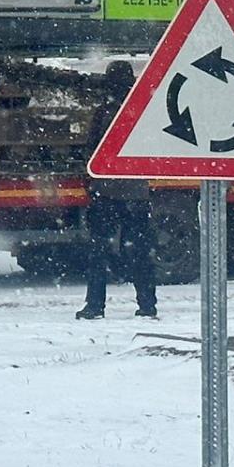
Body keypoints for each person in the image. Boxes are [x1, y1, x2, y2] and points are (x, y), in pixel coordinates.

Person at [78, 61, 158, 320]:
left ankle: (95, 305)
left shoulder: (105, 110)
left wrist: (92, 180)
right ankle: (147, 304)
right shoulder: (141, 110)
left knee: (98, 252)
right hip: (136, 192)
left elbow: (91, 151)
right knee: (138, 251)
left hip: (106, 191)